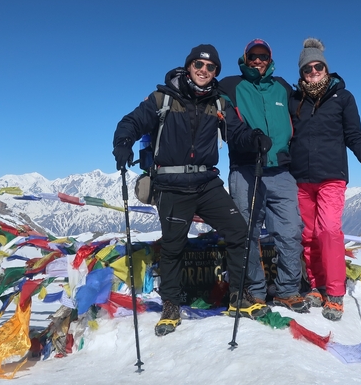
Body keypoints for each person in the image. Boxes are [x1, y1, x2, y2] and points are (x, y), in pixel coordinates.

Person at [112, 44, 273, 337]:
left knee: (238, 231)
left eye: (211, 68)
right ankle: (171, 305)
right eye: (199, 64)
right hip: (171, 184)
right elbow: (132, 122)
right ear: (189, 66)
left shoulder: (219, 103)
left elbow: (236, 132)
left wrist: (255, 138)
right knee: (173, 246)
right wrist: (123, 142)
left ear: (215, 73)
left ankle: (238, 296)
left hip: (206, 183)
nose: (204, 71)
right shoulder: (163, 98)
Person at [288, 38, 361, 321]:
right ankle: (317, 286)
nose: (313, 72)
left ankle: (335, 292)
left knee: (329, 231)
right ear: (301, 73)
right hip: (300, 179)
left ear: (326, 68)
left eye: (317, 66)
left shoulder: (342, 98)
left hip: (332, 177)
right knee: (308, 235)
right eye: (307, 69)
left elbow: (354, 136)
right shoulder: (294, 99)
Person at [218, 39, 308, 313]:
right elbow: (219, 116)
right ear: (245, 58)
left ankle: (287, 290)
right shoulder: (230, 85)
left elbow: (305, 113)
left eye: (264, 57)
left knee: (290, 232)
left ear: (270, 59)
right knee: (247, 233)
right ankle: (254, 292)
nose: (258, 61)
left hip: (281, 170)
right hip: (246, 169)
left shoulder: (282, 87)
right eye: (254, 56)